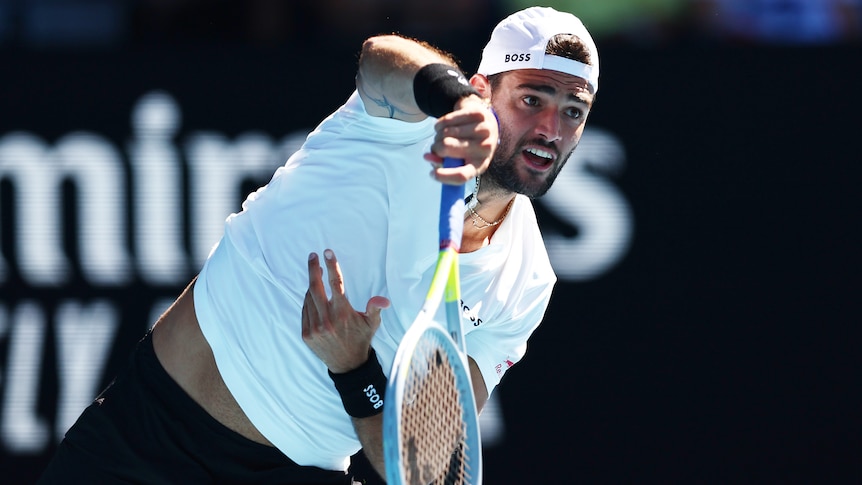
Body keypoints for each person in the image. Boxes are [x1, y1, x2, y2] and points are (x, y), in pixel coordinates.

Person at [38, 6, 599, 484]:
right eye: (533, 98)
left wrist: (354, 370)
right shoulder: (402, 122)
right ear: (484, 88)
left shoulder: (525, 284)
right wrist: (453, 102)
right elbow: (380, 56)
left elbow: (422, 466)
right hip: (145, 438)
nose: (552, 127)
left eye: (573, 111)